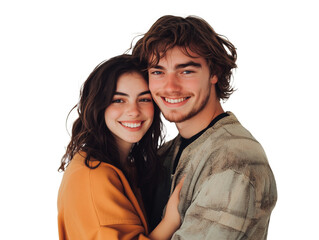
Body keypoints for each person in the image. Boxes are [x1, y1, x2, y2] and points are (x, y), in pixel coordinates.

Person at [132, 15, 277, 239]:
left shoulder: (234, 161)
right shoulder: (167, 153)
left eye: (186, 71)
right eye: (158, 72)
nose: (170, 87)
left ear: (214, 72)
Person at [57, 54, 183, 240]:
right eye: (119, 100)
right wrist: (171, 220)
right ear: (99, 106)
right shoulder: (93, 176)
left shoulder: (125, 166)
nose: (133, 111)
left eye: (144, 99)